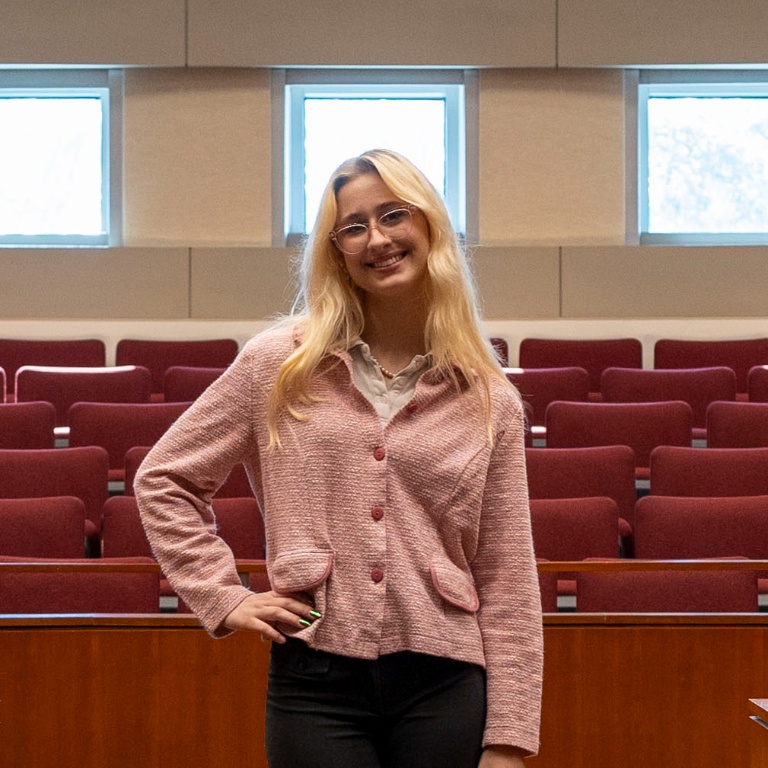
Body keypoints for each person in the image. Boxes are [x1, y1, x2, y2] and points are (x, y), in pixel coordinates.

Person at [135, 148, 543, 768]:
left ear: (428, 224)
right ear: (337, 252)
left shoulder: (490, 398)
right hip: (314, 681)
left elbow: (506, 573)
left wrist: (510, 740)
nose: (376, 238)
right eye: (353, 227)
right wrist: (226, 596)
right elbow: (164, 479)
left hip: (445, 682)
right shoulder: (278, 365)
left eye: (392, 215)